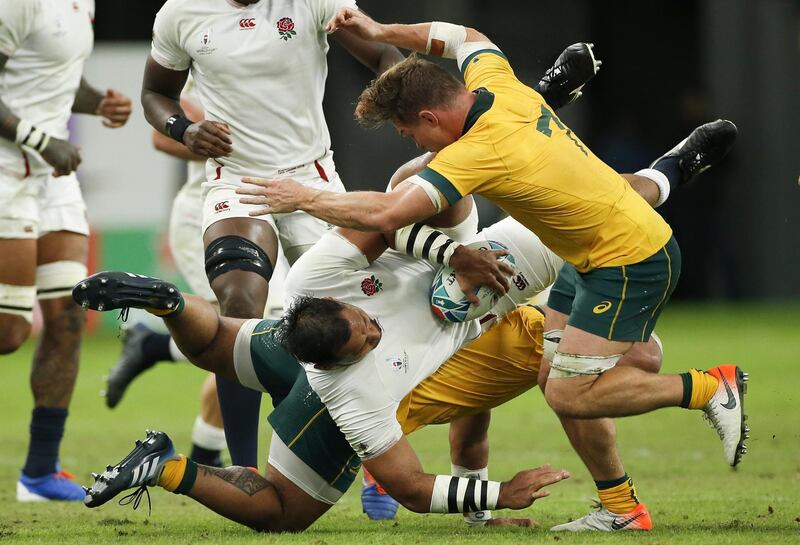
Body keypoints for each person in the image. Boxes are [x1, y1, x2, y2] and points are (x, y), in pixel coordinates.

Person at [237, 10, 747, 471]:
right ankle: (664, 163)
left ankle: (710, 387)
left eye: (409, 131)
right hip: (583, 242)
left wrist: (302, 196)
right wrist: (378, 31)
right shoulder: (491, 80)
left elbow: (391, 212)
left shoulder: (471, 155)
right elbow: (467, 36)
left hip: (626, 259)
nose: (411, 140)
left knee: (581, 389)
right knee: (564, 369)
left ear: (431, 117)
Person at [140, 0, 405, 470]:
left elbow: (384, 55)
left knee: (357, 321)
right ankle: (243, 471)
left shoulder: (314, 1)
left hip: (313, 179)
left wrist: (388, 95)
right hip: (237, 181)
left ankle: (376, 474)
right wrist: (185, 129)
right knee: (239, 302)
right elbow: (154, 94)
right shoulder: (180, 12)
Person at [0, 0, 132, 501]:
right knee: (9, 332)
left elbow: (52, 76)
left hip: (52, 181)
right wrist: (42, 139)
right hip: (7, 170)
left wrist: (98, 102)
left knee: (70, 317)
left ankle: (38, 472)